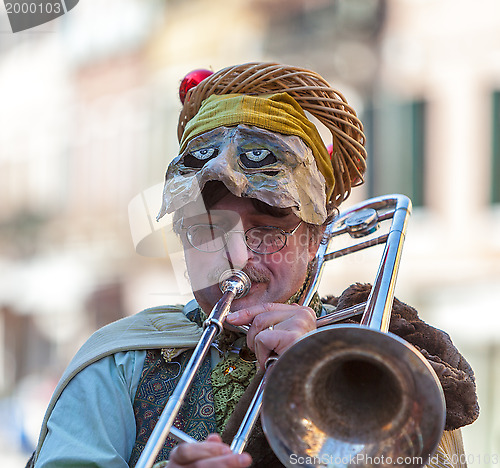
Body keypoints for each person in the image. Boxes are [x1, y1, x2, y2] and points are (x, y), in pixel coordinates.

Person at [28, 63, 479, 468]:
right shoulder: (119, 361)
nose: (238, 257)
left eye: (267, 227)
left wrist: (329, 382)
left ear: (315, 237)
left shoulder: (385, 357)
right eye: (207, 229)